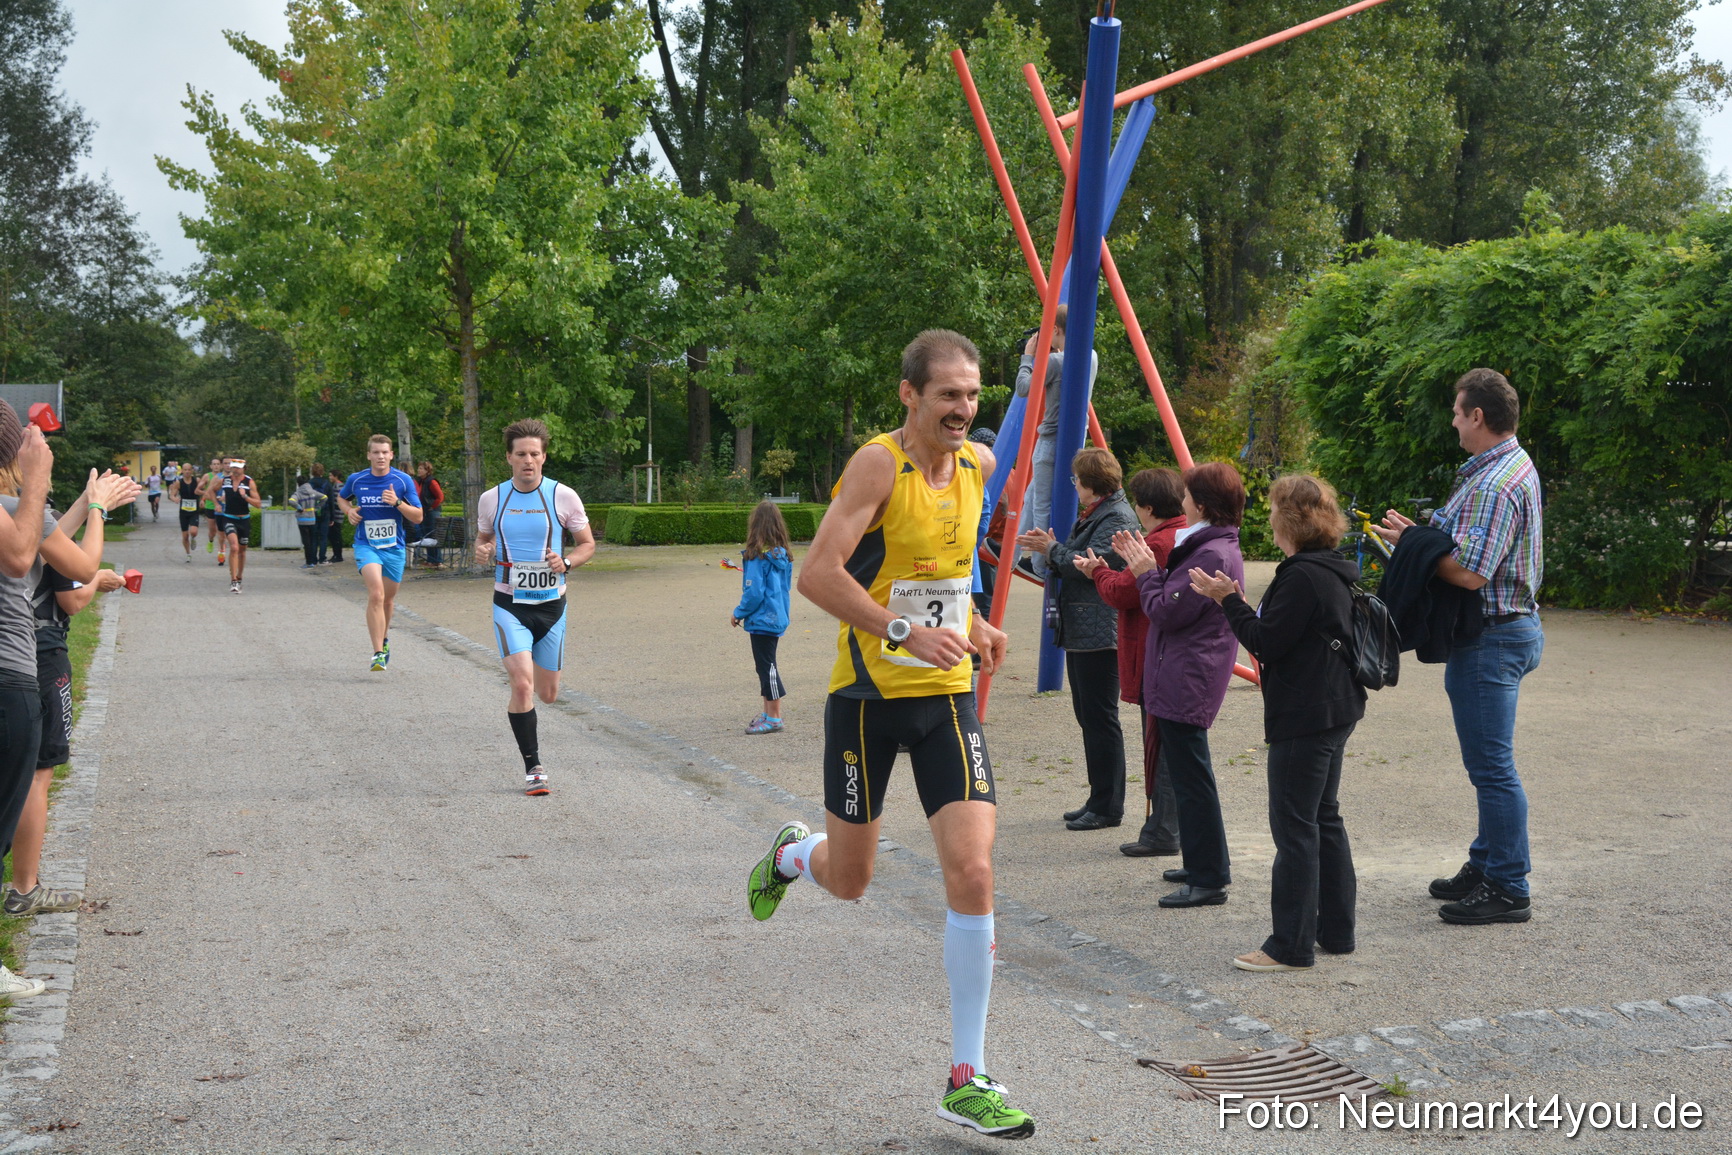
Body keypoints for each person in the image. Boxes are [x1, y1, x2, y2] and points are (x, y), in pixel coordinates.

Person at [745, 330, 1034, 1141]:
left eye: (973, 395)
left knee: (974, 869)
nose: (964, 410)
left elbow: (948, 576)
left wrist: (977, 624)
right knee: (850, 880)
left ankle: (966, 1076)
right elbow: (819, 574)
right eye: (949, 395)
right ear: (909, 394)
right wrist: (901, 630)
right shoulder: (880, 465)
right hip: (867, 699)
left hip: (945, 698)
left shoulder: (976, 467)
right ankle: (792, 855)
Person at [1373, 368, 1543, 926]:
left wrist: (1412, 549)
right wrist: (1416, 536)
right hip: (1505, 629)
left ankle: (1509, 886)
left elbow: (1471, 572)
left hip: (1491, 636)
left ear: (1478, 416)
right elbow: (1463, 538)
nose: (1451, 420)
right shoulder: (1503, 466)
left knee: (1492, 768)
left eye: (1456, 411)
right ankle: (1487, 860)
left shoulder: (1495, 484)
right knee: (1490, 765)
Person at [1191, 474, 1366, 971]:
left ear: (1289, 520)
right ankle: (1337, 930)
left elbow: (1267, 641)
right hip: (1336, 707)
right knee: (1323, 818)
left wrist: (1228, 601)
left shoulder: (1301, 575)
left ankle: (1289, 945)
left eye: (1272, 509)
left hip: (1307, 712)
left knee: (1295, 826)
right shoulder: (1331, 567)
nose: (1267, 516)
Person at [0, 402, 137, 997]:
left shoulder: (18, 509)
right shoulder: (13, 505)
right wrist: (96, 509)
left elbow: (36, 531)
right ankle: (24, 888)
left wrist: (78, 502)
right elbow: (58, 564)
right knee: (31, 782)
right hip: (14, 672)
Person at [1113, 462, 1246, 908]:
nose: (1182, 502)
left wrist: (1147, 572)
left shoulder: (1212, 553)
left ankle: (1209, 877)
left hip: (1189, 675)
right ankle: (1202, 862)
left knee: (1193, 777)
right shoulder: (1207, 546)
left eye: (1188, 496)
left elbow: (1167, 612)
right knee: (1189, 774)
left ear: (1202, 504)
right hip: (1183, 670)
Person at [1015, 446, 1138, 831]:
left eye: (1076, 481)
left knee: (1100, 718)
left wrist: (1052, 550)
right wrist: (1055, 549)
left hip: (1099, 629)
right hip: (1086, 626)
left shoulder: (1116, 516)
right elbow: (1079, 557)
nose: (1075, 487)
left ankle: (1107, 805)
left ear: (1089, 484)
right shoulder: (1102, 511)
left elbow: (1092, 565)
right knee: (1089, 716)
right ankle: (1098, 797)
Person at [472, 419, 593, 795]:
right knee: (521, 684)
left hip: (552, 606)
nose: (528, 461)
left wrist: (567, 562)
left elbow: (587, 544)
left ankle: (534, 752)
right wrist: (482, 551)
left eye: (534, 454)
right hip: (509, 603)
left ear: (544, 457)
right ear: (509, 457)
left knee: (548, 693)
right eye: (521, 454)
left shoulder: (564, 496)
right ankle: (534, 768)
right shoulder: (492, 498)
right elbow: (483, 541)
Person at [1075, 467, 1187, 857]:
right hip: (1169, 653)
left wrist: (1098, 571)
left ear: (1148, 506)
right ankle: (1163, 826)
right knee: (1169, 743)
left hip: (1153, 651)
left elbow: (1125, 593)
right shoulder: (1180, 532)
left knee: (1162, 743)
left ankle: (1163, 829)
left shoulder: (1158, 541)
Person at [5, 557, 125, 918]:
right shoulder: (31, 523)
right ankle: (25, 888)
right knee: (39, 772)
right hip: (38, 654)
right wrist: (97, 510)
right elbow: (72, 599)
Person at [1013, 304, 1097, 578]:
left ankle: (1039, 565)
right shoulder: (1090, 356)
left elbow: (1024, 388)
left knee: (1040, 505)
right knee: (1030, 495)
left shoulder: (1054, 362)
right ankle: (1011, 554)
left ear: (1056, 329)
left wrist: (1029, 356)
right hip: (1075, 439)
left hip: (1050, 440)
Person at [338, 436, 423, 669]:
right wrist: (348, 511)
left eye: (385, 452)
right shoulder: (357, 480)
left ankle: (384, 640)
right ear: (369, 455)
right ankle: (377, 653)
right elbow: (341, 497)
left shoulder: (403, 480)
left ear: (391, 455)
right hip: (366, 545)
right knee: (376, 593)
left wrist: (397, 503)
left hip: (394, 548)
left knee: (388, 599)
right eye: (376, 452)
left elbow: (418, 516)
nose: (380, 457)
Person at [731, 500, 793, 734]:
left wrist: (739, 612)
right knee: (765, 666)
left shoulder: (756, 557)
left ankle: (775, 717)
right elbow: (785, 587)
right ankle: (768, 712)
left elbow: (754, 592)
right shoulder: (781, 555)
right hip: (776, 616)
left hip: (762, 619)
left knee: (767, 667)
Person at [214, 458, 263, 594]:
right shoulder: (225, 480)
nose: (235, 469)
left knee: (242, 551)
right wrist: (217, 504)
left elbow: (258, 504)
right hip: (229, 518)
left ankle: (239, 577)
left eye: (238, 467)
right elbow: (211, 491)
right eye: (233, 467)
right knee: (234, 547)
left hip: (244, 520)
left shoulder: (249, 482)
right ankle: (233, 580)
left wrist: (245, 497)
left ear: (244, 468)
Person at [291, 473, 328, 569]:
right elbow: (324, 497)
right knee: (312, 541)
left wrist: (299, 508)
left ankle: (308, 562)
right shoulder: (312, 492)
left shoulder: (298, 493)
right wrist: (317, 508)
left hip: (302, 521)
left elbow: (291, 501)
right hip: (312, 519)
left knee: (306, 542)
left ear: (298, 483)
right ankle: (313, 561)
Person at [412, 460, 445, 566]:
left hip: (432, 512)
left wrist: (432, 507)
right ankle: (431, 559)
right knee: (426, 535)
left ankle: (437, 560)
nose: (418, 470)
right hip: (425, 511)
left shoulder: (431, 482)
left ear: (427, 470)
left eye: (421, 468)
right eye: (419, 468)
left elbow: (440, 497)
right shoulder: (422, 482)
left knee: (433, 535)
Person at [175, 465, 203, 563]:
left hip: (194, 510)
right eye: (185, 470)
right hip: (183, 511)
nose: (187, 472)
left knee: (193, 531)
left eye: (189, 470)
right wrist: (175, 498)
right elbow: (172, 494)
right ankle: (188, 554)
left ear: (192, 471)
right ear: (182, 471)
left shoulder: (197, 481)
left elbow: (202, 491)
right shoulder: (179, 482)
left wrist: (202, 500)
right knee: (185, 536)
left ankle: (194, 538)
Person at [200, 457, 226, 562]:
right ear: (211, 466)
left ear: (220, 466)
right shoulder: (208, 476)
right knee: (212, 531)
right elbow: (203, 490)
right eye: (214, 464)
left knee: (222, 532)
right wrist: (204, 498)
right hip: (211, 506)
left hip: (223, 508)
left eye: (218, 464)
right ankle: (210, 540)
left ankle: (221, 552)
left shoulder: (229, 476)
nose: (216, 466)